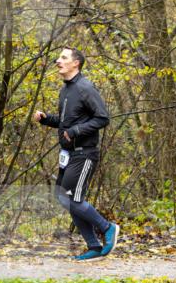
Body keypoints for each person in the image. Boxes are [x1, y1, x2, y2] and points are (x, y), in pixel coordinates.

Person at [34, 48, 119, 261]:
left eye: (63, 58)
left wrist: (75, 132)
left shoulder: (84, 87)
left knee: (73, 197)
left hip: (85, 153)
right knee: (64, 198)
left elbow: (102, 118)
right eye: (59, 58)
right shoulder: (66, 90)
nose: (58, 61)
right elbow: (66, 123)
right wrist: (46, 119)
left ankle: (107, 228)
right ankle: (94, 246)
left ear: (76, 63)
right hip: (69, 154)